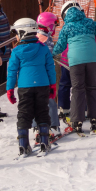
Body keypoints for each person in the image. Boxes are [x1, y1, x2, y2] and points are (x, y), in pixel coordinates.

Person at [53, 2, 96, 134]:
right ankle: (94, 119)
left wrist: (51, 54)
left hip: (75, 60)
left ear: (65, 15)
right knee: (92, 88)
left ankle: (77, 121)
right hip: (92, 59)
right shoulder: (90, 23)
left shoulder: (67, 27)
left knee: (77, 89)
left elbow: (60, 46)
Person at [6, 18, 56, 155]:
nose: (16, 36)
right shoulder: (43, 48)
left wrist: (10, 89)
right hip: (42, 85)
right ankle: (45, 142)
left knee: (24, 113)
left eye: (17, 33)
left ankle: (23, 145)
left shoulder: (16, 51)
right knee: (42, 112)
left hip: (25, 86)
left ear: (23, 32)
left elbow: (12, 72)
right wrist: (52, 85)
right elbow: (50, 68)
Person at [36, 12, 61, 140]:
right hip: (44, 75)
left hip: (34, 76)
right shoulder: (46, 38)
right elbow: (49, 55)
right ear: (50, 25)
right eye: (54, 26)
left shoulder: (35, 35)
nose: (55, 29)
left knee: (36, 101)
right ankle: (53, 126)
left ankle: (37, 127)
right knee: (50, 100)